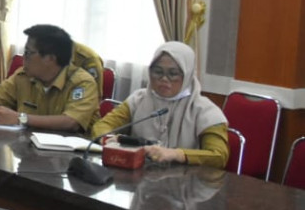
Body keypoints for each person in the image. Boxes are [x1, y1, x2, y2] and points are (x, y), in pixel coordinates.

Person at [91, 42, 229, 167]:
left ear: (187, 75)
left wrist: (177, 154)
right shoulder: (138, 99)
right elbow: (102, 126)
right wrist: (109, 140)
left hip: (184, 186)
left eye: (173, 74)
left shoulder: (206, 111)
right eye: (157, 72)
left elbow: (219, 156)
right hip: (140, 180)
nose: (164, 79)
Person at [0, 24, 99, 133]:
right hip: (27, 148)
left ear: (50, 58)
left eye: (28, 52)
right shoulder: (23, 76)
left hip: (69, 154)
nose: (23, 57)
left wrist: (20, 118)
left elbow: (71, 121)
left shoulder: (82, 83)